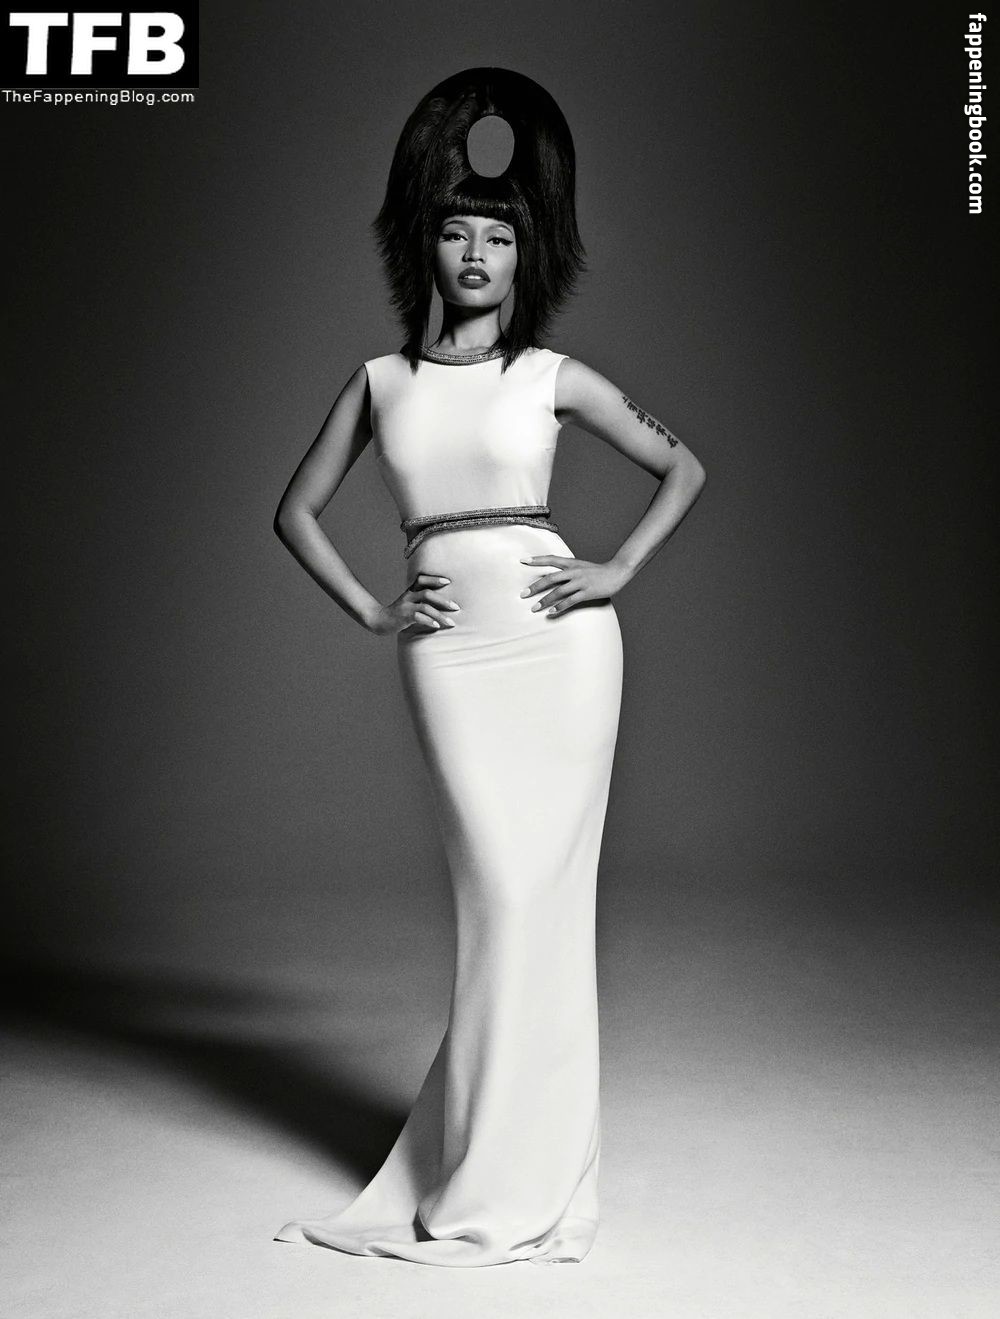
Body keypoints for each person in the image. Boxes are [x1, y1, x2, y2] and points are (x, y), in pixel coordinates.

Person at [272, 68, 706, 1268]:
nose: (476, 254)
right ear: (427, 243)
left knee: (542, 904)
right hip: (451, 657)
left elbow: (684, 467)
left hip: (562, 652)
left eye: (499, 238)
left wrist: (617, 568)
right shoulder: (381, 384)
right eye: (458, 232)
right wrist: (373, 606)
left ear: (527, 257)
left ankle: (526, 1172)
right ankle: (493, 1162)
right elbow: (294, 511)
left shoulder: (551, 376)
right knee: (498, 901)